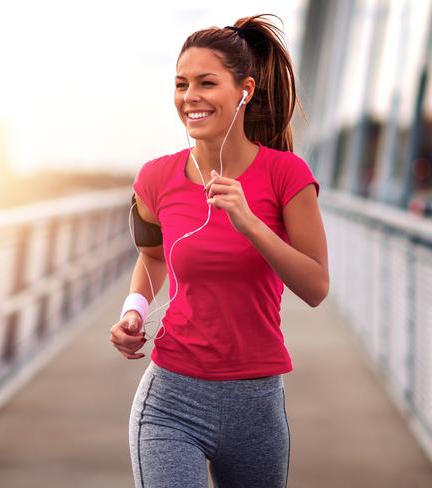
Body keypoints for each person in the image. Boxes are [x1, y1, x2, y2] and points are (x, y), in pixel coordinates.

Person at [109, 14, 329, 488]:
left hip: (256, 403)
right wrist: (133, 311)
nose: (190, 97)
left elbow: (316, 286)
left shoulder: (287, 175)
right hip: (171, 399)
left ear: (244, 90)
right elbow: (151, 257)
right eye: (181, 84)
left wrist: (250, 225)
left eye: (207, 83)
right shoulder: (156, 177)